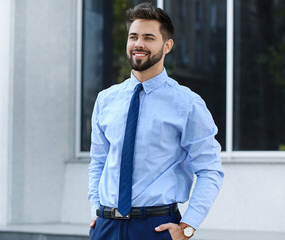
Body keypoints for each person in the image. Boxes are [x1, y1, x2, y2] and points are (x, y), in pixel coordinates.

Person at [88, 3, 224, 240]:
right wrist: (95, 209)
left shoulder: (187, 104)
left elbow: (210, 169)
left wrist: (188, 227)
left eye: (149, 37)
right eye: (133, 37)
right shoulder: (106, 100)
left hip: (156, 229)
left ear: (167, 45)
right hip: (105, 227)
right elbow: (98, 162)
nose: (138, 44)